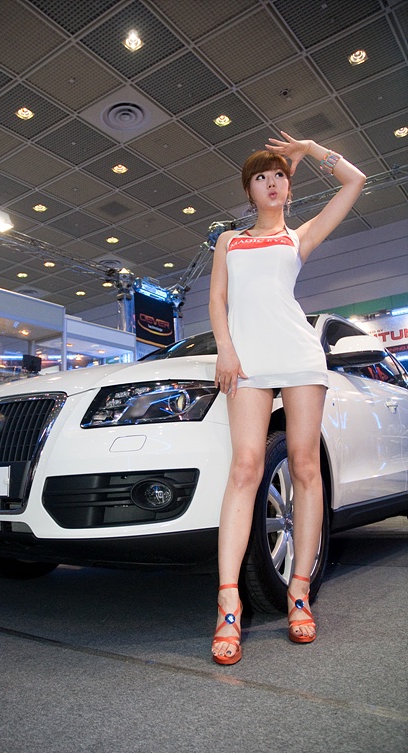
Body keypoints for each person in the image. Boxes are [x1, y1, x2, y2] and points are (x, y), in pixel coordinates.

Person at [209, 131, 366, 665]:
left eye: (278, 175)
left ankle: (299, 591)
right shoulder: (229, 241)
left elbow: (355, 181)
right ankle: (228, 603)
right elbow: (217, 299)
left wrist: (312, 148)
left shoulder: (298, 238)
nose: (272, 183)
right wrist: (225, 350)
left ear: (289, 187)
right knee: (245, 468)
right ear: (249, 190)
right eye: (261, 177)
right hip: (246, 361)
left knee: (304, 466)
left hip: (299, 356)